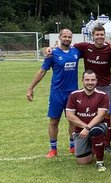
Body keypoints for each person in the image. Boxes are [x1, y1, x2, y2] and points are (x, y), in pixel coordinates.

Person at [27, 28, 80, 158]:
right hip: (57, 93)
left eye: (69, 37)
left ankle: (73, 146)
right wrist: (30, 88)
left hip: (72, 93)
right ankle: (53, 149)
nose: (67, 39)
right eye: (65, 36)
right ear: (60, 37)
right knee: (54, 121)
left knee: (72, 121)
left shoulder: (76, 51)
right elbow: (42, 71)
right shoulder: (52, 54)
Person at [65, 70, 110, 171]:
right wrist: (85, 127)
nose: (90, 82)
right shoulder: (74, 95)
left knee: (96, 131)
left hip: (98, 126)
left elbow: (101, 116)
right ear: (82, 81)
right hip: (80, 130)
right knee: (83, 162)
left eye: (93, 80)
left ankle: (100, 161)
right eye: (87, 80)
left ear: (96, 81)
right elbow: (70, 116)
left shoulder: (102, 95)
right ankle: (94, 147)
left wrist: (88, 128)